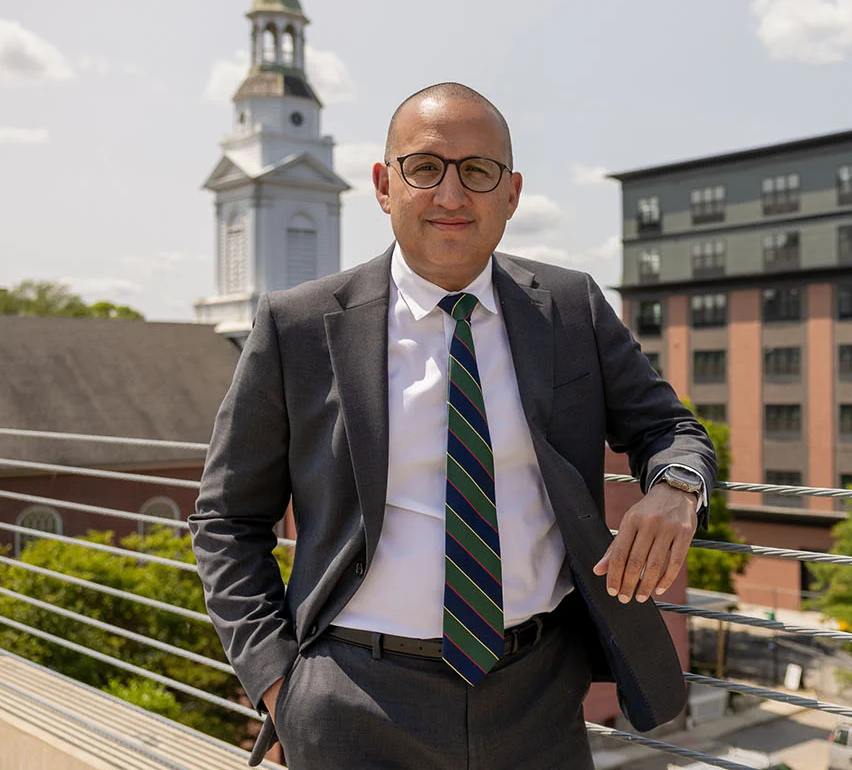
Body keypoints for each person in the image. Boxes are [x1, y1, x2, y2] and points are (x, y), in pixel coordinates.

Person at [191, 82, 717, 769]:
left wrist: (676, 489)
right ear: (385, 185)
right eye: (425, 167)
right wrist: (279, 684)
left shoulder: (570, 308)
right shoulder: (297, 326)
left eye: (477, 171)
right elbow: (226, 518)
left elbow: (671, 428)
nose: (450, 194)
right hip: (354, 703)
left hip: (535, 698)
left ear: (512, 192)